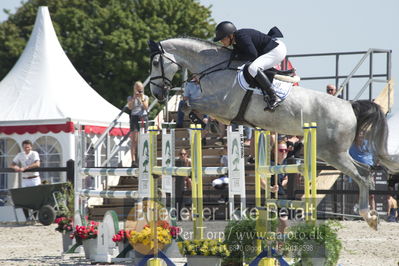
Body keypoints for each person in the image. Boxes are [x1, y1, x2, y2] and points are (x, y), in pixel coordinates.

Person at [213, 21, 287, 110]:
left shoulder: (241, 36)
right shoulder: (236, 41)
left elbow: (252, 55)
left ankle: (274, 96)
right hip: (272, 49)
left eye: (222, 39)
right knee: (253, 67)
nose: (221, 41)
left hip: (276, 50)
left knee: (253, 68)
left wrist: (236, 56)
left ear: (230, 35)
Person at [127, 81, 149, 167]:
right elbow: (130, 107)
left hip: (143, 117)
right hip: (134, 117)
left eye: (141, 90)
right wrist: (134, 98)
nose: (140, 92)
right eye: (138, 90)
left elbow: (146, 107)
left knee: (144, 138)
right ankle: (133, 160)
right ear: (135, 89)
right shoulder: (130, 97)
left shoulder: (145, 97)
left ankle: (144, 158)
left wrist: (141, 98)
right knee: (134, 140)